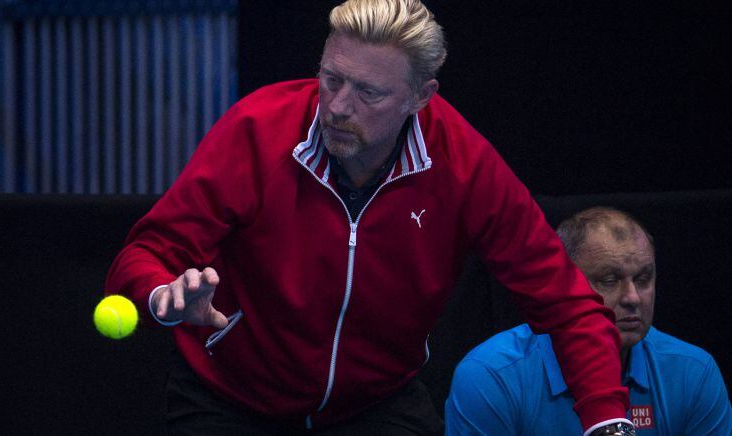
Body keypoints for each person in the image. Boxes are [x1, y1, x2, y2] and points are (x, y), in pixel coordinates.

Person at [106, 1, 633, 434]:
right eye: (331, 79)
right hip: (229, 400)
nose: (337, 106)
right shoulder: (256, 129)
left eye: (368, 92)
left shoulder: (465, 165)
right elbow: (145, 254)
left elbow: (567, 304)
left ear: (420, 97)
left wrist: (609, 422)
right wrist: (162, 297)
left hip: (376, 405)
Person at [445, 207, 732, 435]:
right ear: (563, 284)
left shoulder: (693, 372)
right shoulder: (491, 376)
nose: (632, 297)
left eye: (643, 279)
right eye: (609, 280)